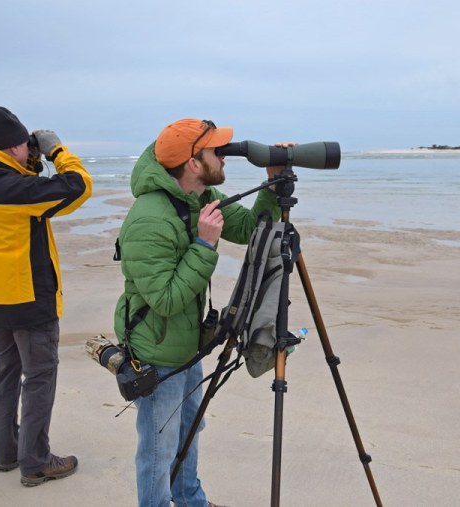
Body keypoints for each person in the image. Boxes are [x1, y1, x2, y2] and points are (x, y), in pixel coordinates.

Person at [114, 119, 283, 506]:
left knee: (190, 428)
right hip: (157, 356)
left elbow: (249, 228)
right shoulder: (148, 219)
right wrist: (205, 246)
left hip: (188, 345)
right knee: (158, 449)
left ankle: (190, 499)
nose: (224, 156)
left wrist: (273, 184)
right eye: (216, 151)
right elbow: (167, 300)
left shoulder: (199, 196)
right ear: (193, 162)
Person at [0, 106, 93, 487]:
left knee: (7, 375)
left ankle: (7, 453)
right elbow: (79, 186)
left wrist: (28, 159)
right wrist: (57, 151)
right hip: (29, 300)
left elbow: (22, 182)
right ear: (15, 146)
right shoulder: (14, 190)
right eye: (26, 147)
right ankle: (35, 462)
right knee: (39, 379)